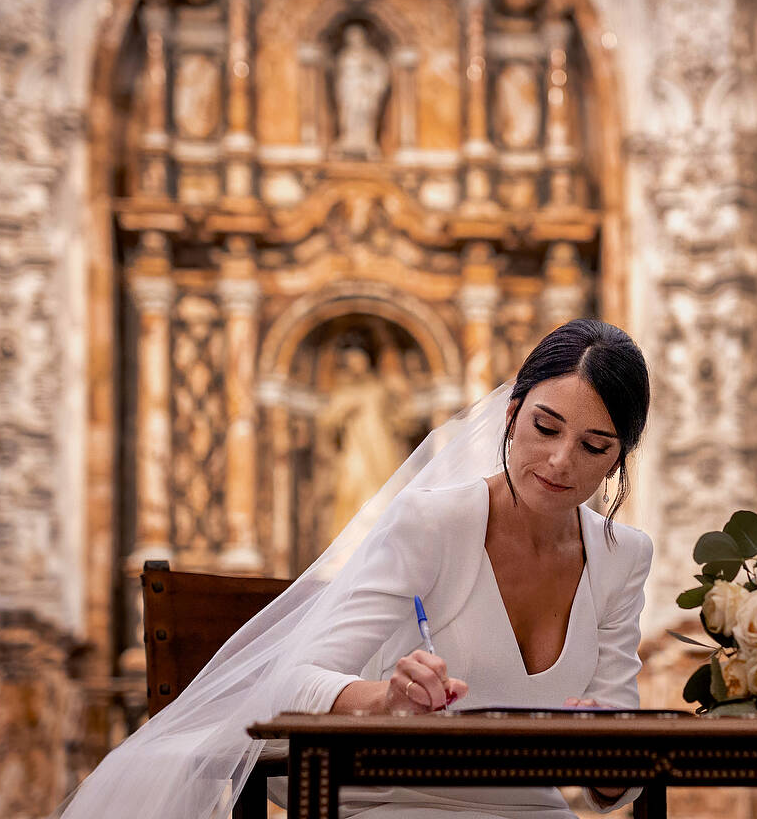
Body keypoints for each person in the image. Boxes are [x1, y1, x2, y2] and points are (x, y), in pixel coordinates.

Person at [56, 318, 653, 819]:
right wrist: (385, 699)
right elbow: (289, 683)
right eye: (545, 428)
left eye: (593, 446)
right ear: (512, 413)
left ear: (617, 460)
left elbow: (612, 790)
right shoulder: (433, 523)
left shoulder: (624, 558)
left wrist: (609, 743)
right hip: (393, 800)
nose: (559, 460)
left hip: (531, 810)